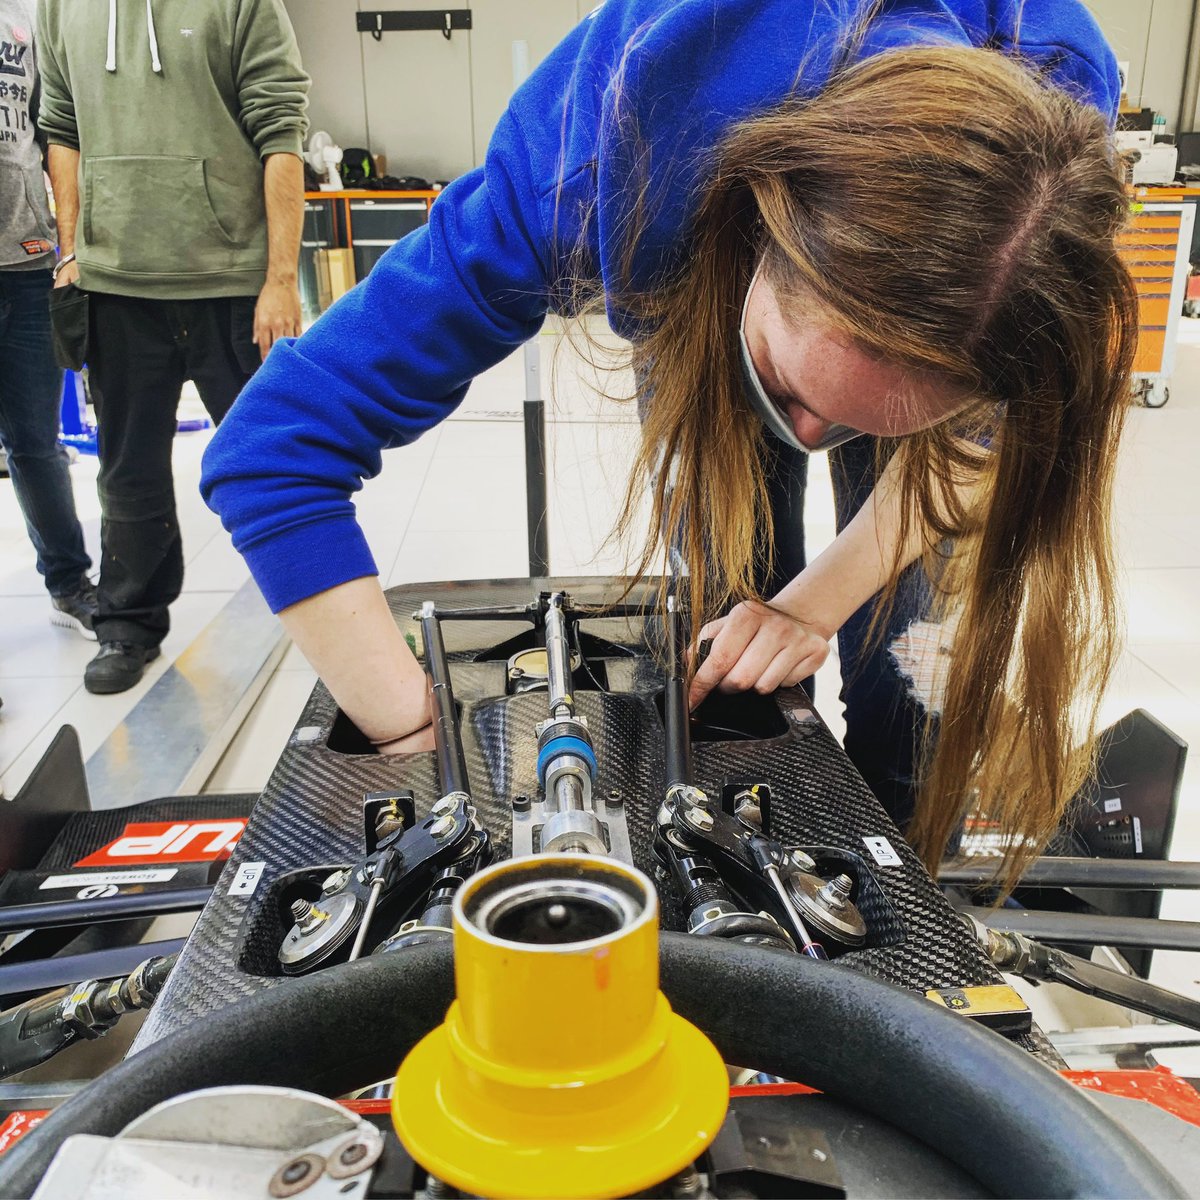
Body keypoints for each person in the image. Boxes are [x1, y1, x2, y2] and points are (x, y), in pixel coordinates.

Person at [201, 0, 1136, 883]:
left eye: (858, 420)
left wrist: (813, 609)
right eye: (785, 389)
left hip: (904, 290)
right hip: (681, 219)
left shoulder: (1045, 166)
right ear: (752, 230)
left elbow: (983, 445)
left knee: (905, 668)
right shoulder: (585, 171)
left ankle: (890, 872)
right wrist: (414, 735)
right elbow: (271, 447)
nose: (808, 440)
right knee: (729, 654)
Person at [35, 0, 309, 694]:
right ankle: (127, 624)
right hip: (115, 283)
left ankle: (321, 605)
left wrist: (281, 278)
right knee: (127, 472)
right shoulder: (59, 6)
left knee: (273, 462)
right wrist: (72, 251)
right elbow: (61, 128)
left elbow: (281, 130)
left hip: (232, 283)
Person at [0, 0, 97, 660]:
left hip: (27, 265)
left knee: (37, 444)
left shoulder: (25, 17)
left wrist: (69, 246)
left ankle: (69, 584)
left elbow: (53, 135)